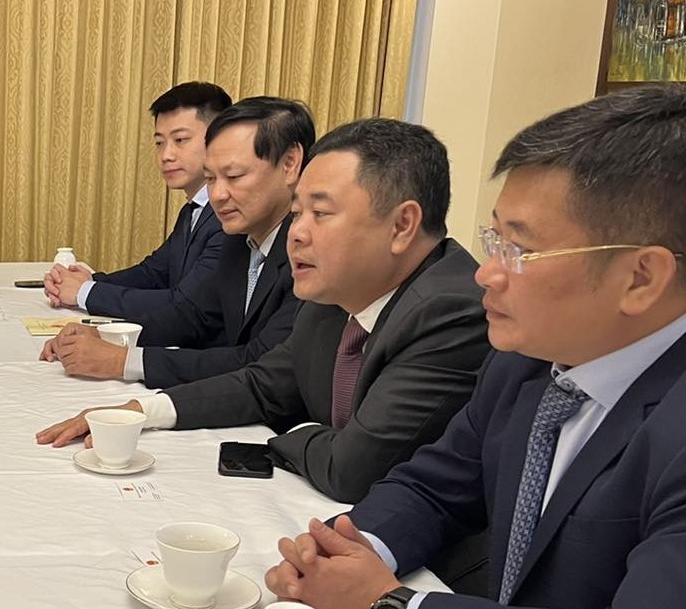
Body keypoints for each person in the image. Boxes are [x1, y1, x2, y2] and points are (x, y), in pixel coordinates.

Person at [263, 85, 686, 609]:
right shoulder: (527, 359)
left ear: (640, 277)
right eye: (493, 239)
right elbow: (436, 484)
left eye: (521, 250)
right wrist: (345, 550)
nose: (486, 273)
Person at [37, 118, 490, 505]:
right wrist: (143, 409)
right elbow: (262, 384)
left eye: (320, 214)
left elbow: (351, 468)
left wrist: (290, 433)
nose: (297, 233)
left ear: (402, 225)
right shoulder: (337, 293)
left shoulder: (450, 313)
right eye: (297, 212)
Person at [43, 96, 311, 388]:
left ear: (289, 163)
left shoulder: (309, 252)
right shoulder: (240, 239)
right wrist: (108, 336)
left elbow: (259, 362)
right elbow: (193, 316)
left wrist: (122, 361)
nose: (218, 195)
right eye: (211, 179)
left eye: (234, 176)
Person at [43, 81, 230, 316]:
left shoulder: (228, 214)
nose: (166, 155)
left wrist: (85, 292)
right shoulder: (194, 209)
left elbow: (186, 305)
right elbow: (154, 273)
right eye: (159, 143)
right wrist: (89, 281)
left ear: (219, 139)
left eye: (180, 140)